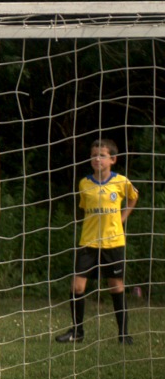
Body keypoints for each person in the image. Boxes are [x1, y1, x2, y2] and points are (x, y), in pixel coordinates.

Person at [55, 138, 139, 344]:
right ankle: (77, 332)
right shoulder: (84, 183)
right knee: (77, 287)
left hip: (113, 242)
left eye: (102, 155)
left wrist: (122, 218)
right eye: (93, 155)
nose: (97, 159)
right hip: (88, 242)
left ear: (113, 159)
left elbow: (133, 197)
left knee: (116, 286)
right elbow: (84, 208)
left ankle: (123, 333)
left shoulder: (121, 181)